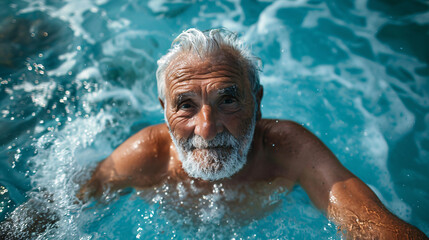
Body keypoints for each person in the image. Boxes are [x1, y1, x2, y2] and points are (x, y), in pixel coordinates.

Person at [78, 28, 427, 239]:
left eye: (227, 100)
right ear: (164, 112)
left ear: (257, 102)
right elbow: (72, 203)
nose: (207, 127)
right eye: (185, 105)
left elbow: (367, 222)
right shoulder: (147, 155)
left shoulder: (289, 149)